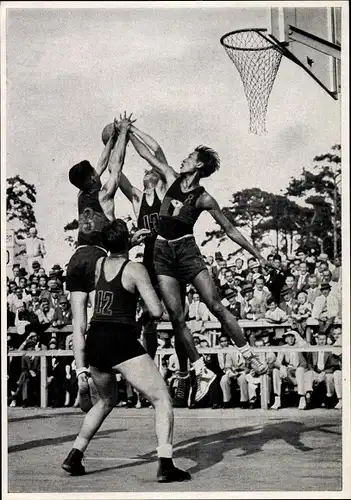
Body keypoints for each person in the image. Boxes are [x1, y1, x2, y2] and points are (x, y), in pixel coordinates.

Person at [128, 130, 269, 406]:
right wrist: (128, 130)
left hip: (187, 251)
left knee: (216, 305)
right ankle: (199, 369)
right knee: (176, 316)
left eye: (190, 157)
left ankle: (248, 353)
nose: (184, 159)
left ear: (199, 165)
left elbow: (230, 229)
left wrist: (258, 255)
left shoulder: (203, 198)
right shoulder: (169, 177)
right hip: (162, 253)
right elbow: (146, 153)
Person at [62, 219, 190, 483]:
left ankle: (74, 454)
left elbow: (114, 257)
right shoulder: (135, 269)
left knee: (106, 401)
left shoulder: (98, 265)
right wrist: (143, 314)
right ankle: (165, 464)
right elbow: (156, 311)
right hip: (120, 339)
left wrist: (125, 242)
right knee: (162, 400)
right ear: (127, 241)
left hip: (95, 339)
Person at [65, 114, 147, 412]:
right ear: (92, 179)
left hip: (76, 258)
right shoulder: (106, 193)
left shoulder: (81, 194)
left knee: (78, 322)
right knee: (102, 318)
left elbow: (99, 165)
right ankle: (114, 371)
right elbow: (116, 165)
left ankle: (80, 372)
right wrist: (122, 134)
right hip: (99, 258)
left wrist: (109, 139)